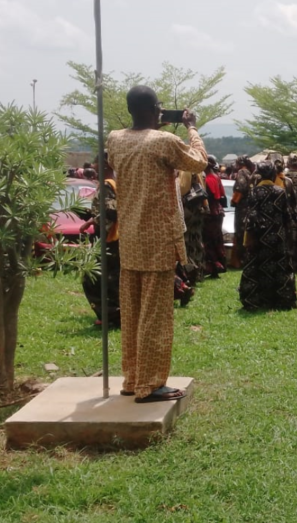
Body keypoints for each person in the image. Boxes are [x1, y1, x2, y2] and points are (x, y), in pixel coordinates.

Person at [106, 85, 207, 403]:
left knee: (133, 311)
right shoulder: (165, 141)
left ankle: (132, 378)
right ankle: (150, 384)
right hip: (159, 237)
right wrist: (191, 127)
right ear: (154, 109)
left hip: (130, 238)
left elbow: (135, 151)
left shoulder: (115, 138)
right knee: (155, 314)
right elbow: (199, 162)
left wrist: (151, 125)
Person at [239, 162, 297, 310]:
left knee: (257, 267)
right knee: (279, 267)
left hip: (260, 237)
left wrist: (249, 238)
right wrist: (289, 237)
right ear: (273, 174)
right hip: (278, 236)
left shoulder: (254, 192)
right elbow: (287, 217)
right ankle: (282, 300)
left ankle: (256, 300)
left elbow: (251, 217)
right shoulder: (280, 191)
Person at [80, 154, 121, 326]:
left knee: (92, 277)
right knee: (112, 279)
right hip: (116, 238)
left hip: (107, 239)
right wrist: (91, 219)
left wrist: (96, 225)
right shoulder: (116, 183)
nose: (94, 166)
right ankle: (115, 314)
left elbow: (111, 212)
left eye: (96, 163)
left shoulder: (107, 185)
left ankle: (111, 316)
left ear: (104, 165)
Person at [178, 169, 209, 283]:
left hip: (190, 210)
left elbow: (182, 188)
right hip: (198, 208)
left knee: (188, 242)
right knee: (196, 242)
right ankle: (198, 272)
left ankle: (190, 273)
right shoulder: (197, 169)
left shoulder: (185, 169)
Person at [203, 155, 228, 278]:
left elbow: (208, 197)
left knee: (209, 241)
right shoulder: (217, 177)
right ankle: (221, 264)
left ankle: (214, 266)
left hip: (211, 213)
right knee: (218, 240)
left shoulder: (207, 179)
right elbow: (223, 196)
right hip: (219, 211)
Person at [230, 156, 254, 268]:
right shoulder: (251, 173)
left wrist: (234, 201)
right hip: (250, 208)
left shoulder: (242, 172)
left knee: (239, 235)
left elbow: (240, 189)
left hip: (242, 209)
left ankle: (238, 261)